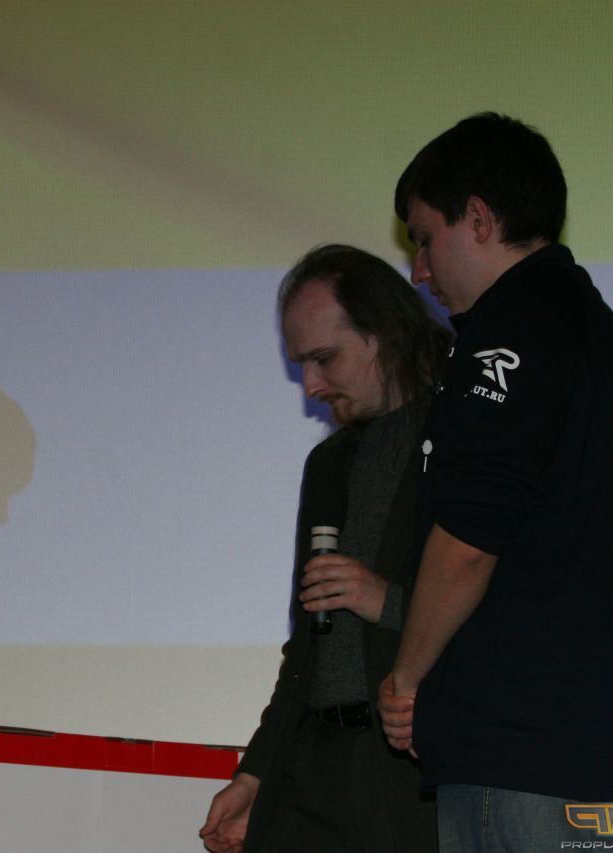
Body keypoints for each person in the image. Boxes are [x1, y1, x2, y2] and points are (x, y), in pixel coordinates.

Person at [379, 113, 613, 850]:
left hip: (517, 747)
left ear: (478, 219)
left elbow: (470, 540)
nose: (418, 270)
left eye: (424, 238)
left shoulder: (510, 332)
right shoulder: (603, 332)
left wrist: (407, 678)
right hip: (604, 750)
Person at [201, 244, 448, 852]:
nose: (310, 386)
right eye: (302, 364)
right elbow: (307, 644)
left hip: (417, 774)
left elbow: (512, 610)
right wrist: (255, 772)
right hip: (317, 771)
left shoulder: (465, 441)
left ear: (382, 335)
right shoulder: (330, 464)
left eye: (324, 358)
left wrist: (387, 601)